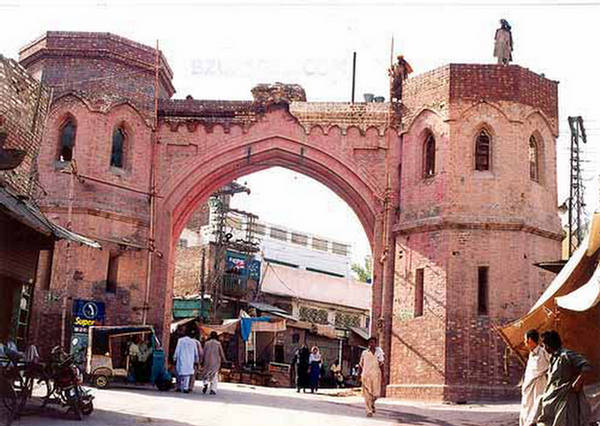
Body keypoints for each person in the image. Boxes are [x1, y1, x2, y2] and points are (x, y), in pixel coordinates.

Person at [534, 330, 591, 426]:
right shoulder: (553, 358)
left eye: (544, 345)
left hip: (566, 398)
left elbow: (586, 366)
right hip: (553, 399)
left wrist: (577, 382)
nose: (543, 348)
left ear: (548, 345)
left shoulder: (567, 355)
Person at [520, 329, 550, 426]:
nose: (525, 343)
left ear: (530, 340)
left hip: (539, 388)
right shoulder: (531, 355)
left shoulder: (543, 352)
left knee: (537, 415)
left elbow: (551, 366)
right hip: (529, 391)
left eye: (525, 340)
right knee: (526, 414)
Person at [359, 337, 385, 417]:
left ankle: (372, 403)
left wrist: (383, 376)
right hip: (366, 375)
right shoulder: (364, 353)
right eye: (370, 343)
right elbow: (360, 365)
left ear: (375, 344)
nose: (371, 344)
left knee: (376, 394)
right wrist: (358, 375)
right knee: (367, 394)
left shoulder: (379, 352)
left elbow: (382, 365)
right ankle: (368, 410)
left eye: (373, 342)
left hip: (376, 375)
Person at [173, 327, 199, 393]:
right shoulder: (193, 342)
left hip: (181, 359)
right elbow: (196, 352)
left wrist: (175, 357)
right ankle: (185, 387)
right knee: (187, 374)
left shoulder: (180, 340)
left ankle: (179, 387)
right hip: (190, 360)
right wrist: (196, 360)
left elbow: (177, 350)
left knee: (179, 374)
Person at [188, 328, 203, 392]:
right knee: (193, 374)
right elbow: (200, 353)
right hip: (194, 360)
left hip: (186, 359)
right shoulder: (197, 342)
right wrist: (200, 361)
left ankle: (184, 385)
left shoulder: (184, 341)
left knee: (186, 373)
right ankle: (190, 387)